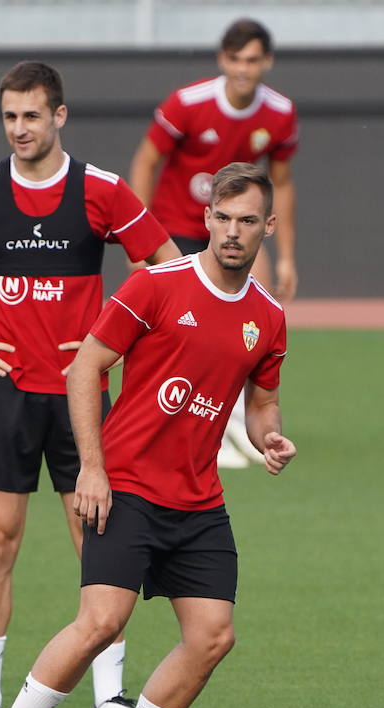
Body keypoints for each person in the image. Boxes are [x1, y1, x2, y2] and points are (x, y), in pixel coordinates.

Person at [0, 163, 296, 708]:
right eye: (222, 218)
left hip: (198, 500)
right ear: (206, 219)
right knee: (99, 624)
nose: (232, 233)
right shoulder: (156, 286)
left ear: (269, 227)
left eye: (247, 221)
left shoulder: (267, 317)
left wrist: (270, 438)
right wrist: (92, 468)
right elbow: (85, 367)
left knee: (212, 636)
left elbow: (262, 403)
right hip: (129, 488)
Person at [0, 61, 180, 708]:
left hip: (80, 396)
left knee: (99, 542)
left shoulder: (102, 190)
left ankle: (109, 695)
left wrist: (116, 341)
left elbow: (169, 269)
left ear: (60, 116)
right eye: (9, 116)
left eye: (32, 115)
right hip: (2, 390)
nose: (19, 128)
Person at [129, 18, 300, 470]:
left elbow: (281, 183)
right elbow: (146, 162)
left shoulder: (279, 113)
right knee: (184, 324)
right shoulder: (188, 103)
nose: (244, 69)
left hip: (238, 229)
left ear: (267, 62)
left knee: (259, 308)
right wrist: (138, 238)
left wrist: (286, 257)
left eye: (253, 60)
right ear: (223, 60)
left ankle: (243, 421)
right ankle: (196, 422)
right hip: (177, 227)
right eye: (236, 59)